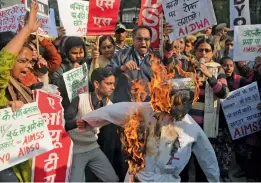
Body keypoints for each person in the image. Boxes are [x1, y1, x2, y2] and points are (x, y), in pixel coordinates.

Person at [76, 76, 220, 182]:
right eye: (175, 100)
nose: (179, 105)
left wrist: (215, 180)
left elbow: (207, 157)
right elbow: (115, 110)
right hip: (138, 177)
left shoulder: (192, 129)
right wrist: (89, 121)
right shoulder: (146, 111)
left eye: (183, 101)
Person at [0, 1, 40, 181]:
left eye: (30, 62)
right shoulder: (2, 89)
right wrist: (26, 30)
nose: (27, 68)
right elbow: (2, 64)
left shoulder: (26, 85)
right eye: (22, 61)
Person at [180, 38, 229, 182]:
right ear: (195, 51)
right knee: (182, 166)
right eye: (200, 49)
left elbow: (224, 93)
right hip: (186, 127)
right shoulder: (187, 67)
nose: (203, 53)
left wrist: (209, 76)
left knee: (203, 168)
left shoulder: (218, 69)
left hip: (206, 128)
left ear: (212, 53)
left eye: (207, 50)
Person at [64, 67, 118, 182]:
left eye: (113, 84)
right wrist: (78, 123)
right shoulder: (80, 99)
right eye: (109, 84)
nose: (112, 87)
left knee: (112, 179)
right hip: (76, 150)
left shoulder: (110, 105)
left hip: (93, 147)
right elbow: (65, 123)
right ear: (97, 84)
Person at [107, 25, 160, 103]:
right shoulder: (122, 55)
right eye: (139, 39)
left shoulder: (155, 59)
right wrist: (121, 68)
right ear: (133, 39)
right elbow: (106, 72)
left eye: (146, 39)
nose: (143, 42)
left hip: (147, 107)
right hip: (124, 106)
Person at [51, 36, 87, 108]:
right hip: (66, 106)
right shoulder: (60, 67)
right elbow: (55, 87)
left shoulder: (86, 64)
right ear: (66, 53)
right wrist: (70, 73)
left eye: (81, 52)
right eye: (74, 53)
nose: (78, 56)